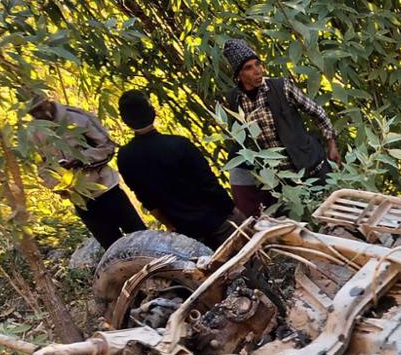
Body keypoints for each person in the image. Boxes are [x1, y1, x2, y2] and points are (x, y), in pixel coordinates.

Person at [219, 38, 340, 217]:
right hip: (281, 180)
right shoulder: (235, 100)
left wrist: (332, 145)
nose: (257, 71)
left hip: (310, 167)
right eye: (249, 68)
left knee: (332, 214)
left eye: (258, 64)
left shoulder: (281, 87)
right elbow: (241, 142)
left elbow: (317, 112)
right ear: (238, 75)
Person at [115, 89, 242, 248]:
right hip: (217, 220)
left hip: (185, 234)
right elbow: (209, 184)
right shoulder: (179, 145)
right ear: (152, 112)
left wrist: (171, 226)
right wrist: (231, 208)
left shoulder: (125, 157)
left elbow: (148, 201)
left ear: (125, 120)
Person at [25, 91, 148, 249]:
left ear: (47, 102)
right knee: (113, 248)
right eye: (33, 113)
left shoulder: (78, 117)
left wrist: (81, 159)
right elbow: (42, 167)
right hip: (81, 200)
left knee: (140, 237)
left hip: (107, 189)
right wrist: (57, 183)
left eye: (39, 109)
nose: (38, 115)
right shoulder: (34, 133)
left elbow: (108, 146)